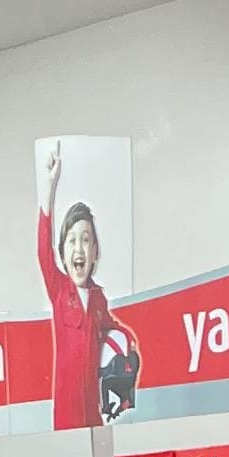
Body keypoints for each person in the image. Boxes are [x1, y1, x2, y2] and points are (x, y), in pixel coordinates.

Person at [35, 142, 135, 430]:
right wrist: (48, 188)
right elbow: (42, 250)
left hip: (93, 410)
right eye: (72, 240)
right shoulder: (58, 290)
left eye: (86, 239)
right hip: (66, 411)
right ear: (63, 252)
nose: (79, 247)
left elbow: (111, 327)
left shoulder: (98, 298)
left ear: (95, 252)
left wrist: (130, 343)